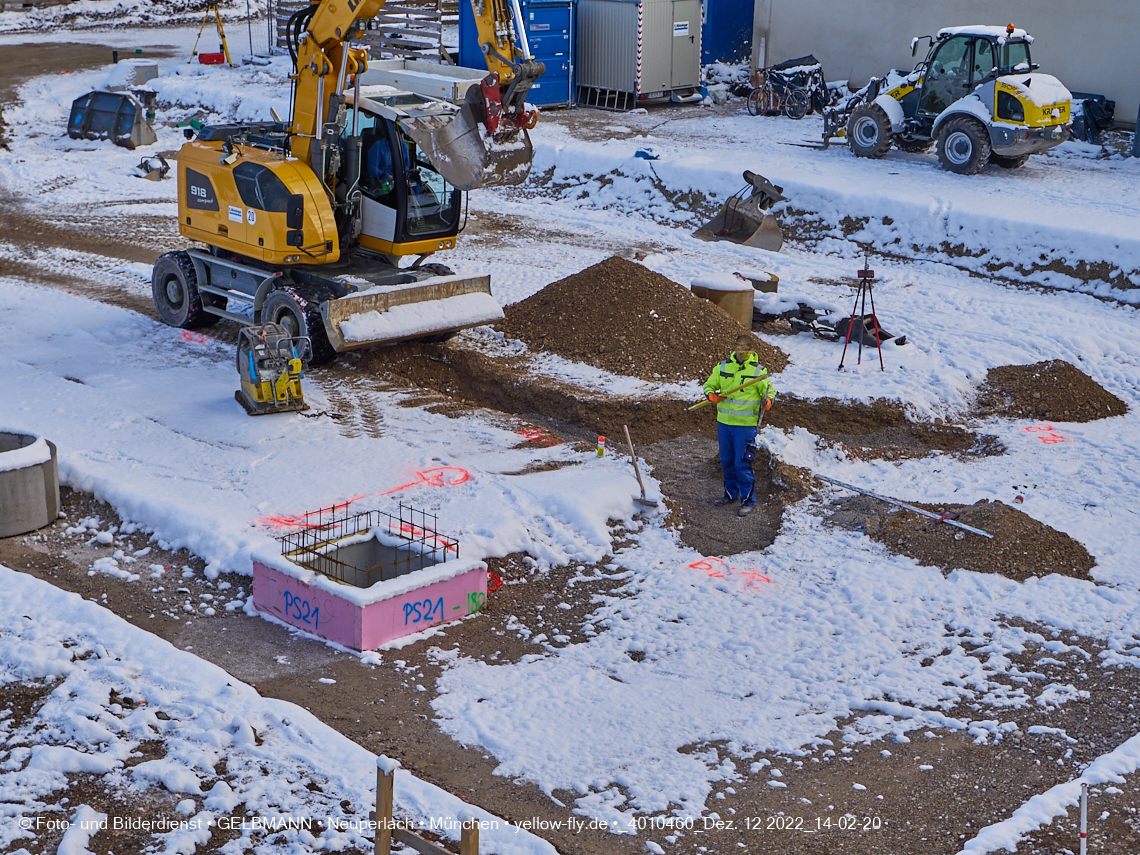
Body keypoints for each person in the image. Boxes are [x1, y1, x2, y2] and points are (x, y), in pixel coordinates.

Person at [703, 334, 776, 517]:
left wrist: (767, 401)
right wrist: (711, 395)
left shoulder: (758, 372)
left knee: (742, 464)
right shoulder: (722, 367)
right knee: (727, 461)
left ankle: (747, 501)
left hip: (745, 426)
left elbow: (770, 392)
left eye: (747, 349)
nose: (744, 352)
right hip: (724, 424)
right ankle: (730, 494)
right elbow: (709, 385)